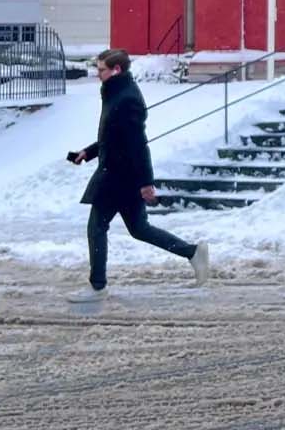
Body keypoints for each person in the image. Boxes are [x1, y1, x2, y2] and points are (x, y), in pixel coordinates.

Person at [66, 48, 209, 302]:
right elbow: (113, 138)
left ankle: (97, 287)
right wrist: (87, 153)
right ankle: (192, 252)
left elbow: (138, 144)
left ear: (116, 70)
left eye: (101, 70)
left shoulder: (126, 98)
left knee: (96, 228)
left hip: (119, 178)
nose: (97, 74)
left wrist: (146, 183)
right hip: (118, 175)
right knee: (139, 229)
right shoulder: (116, 93)